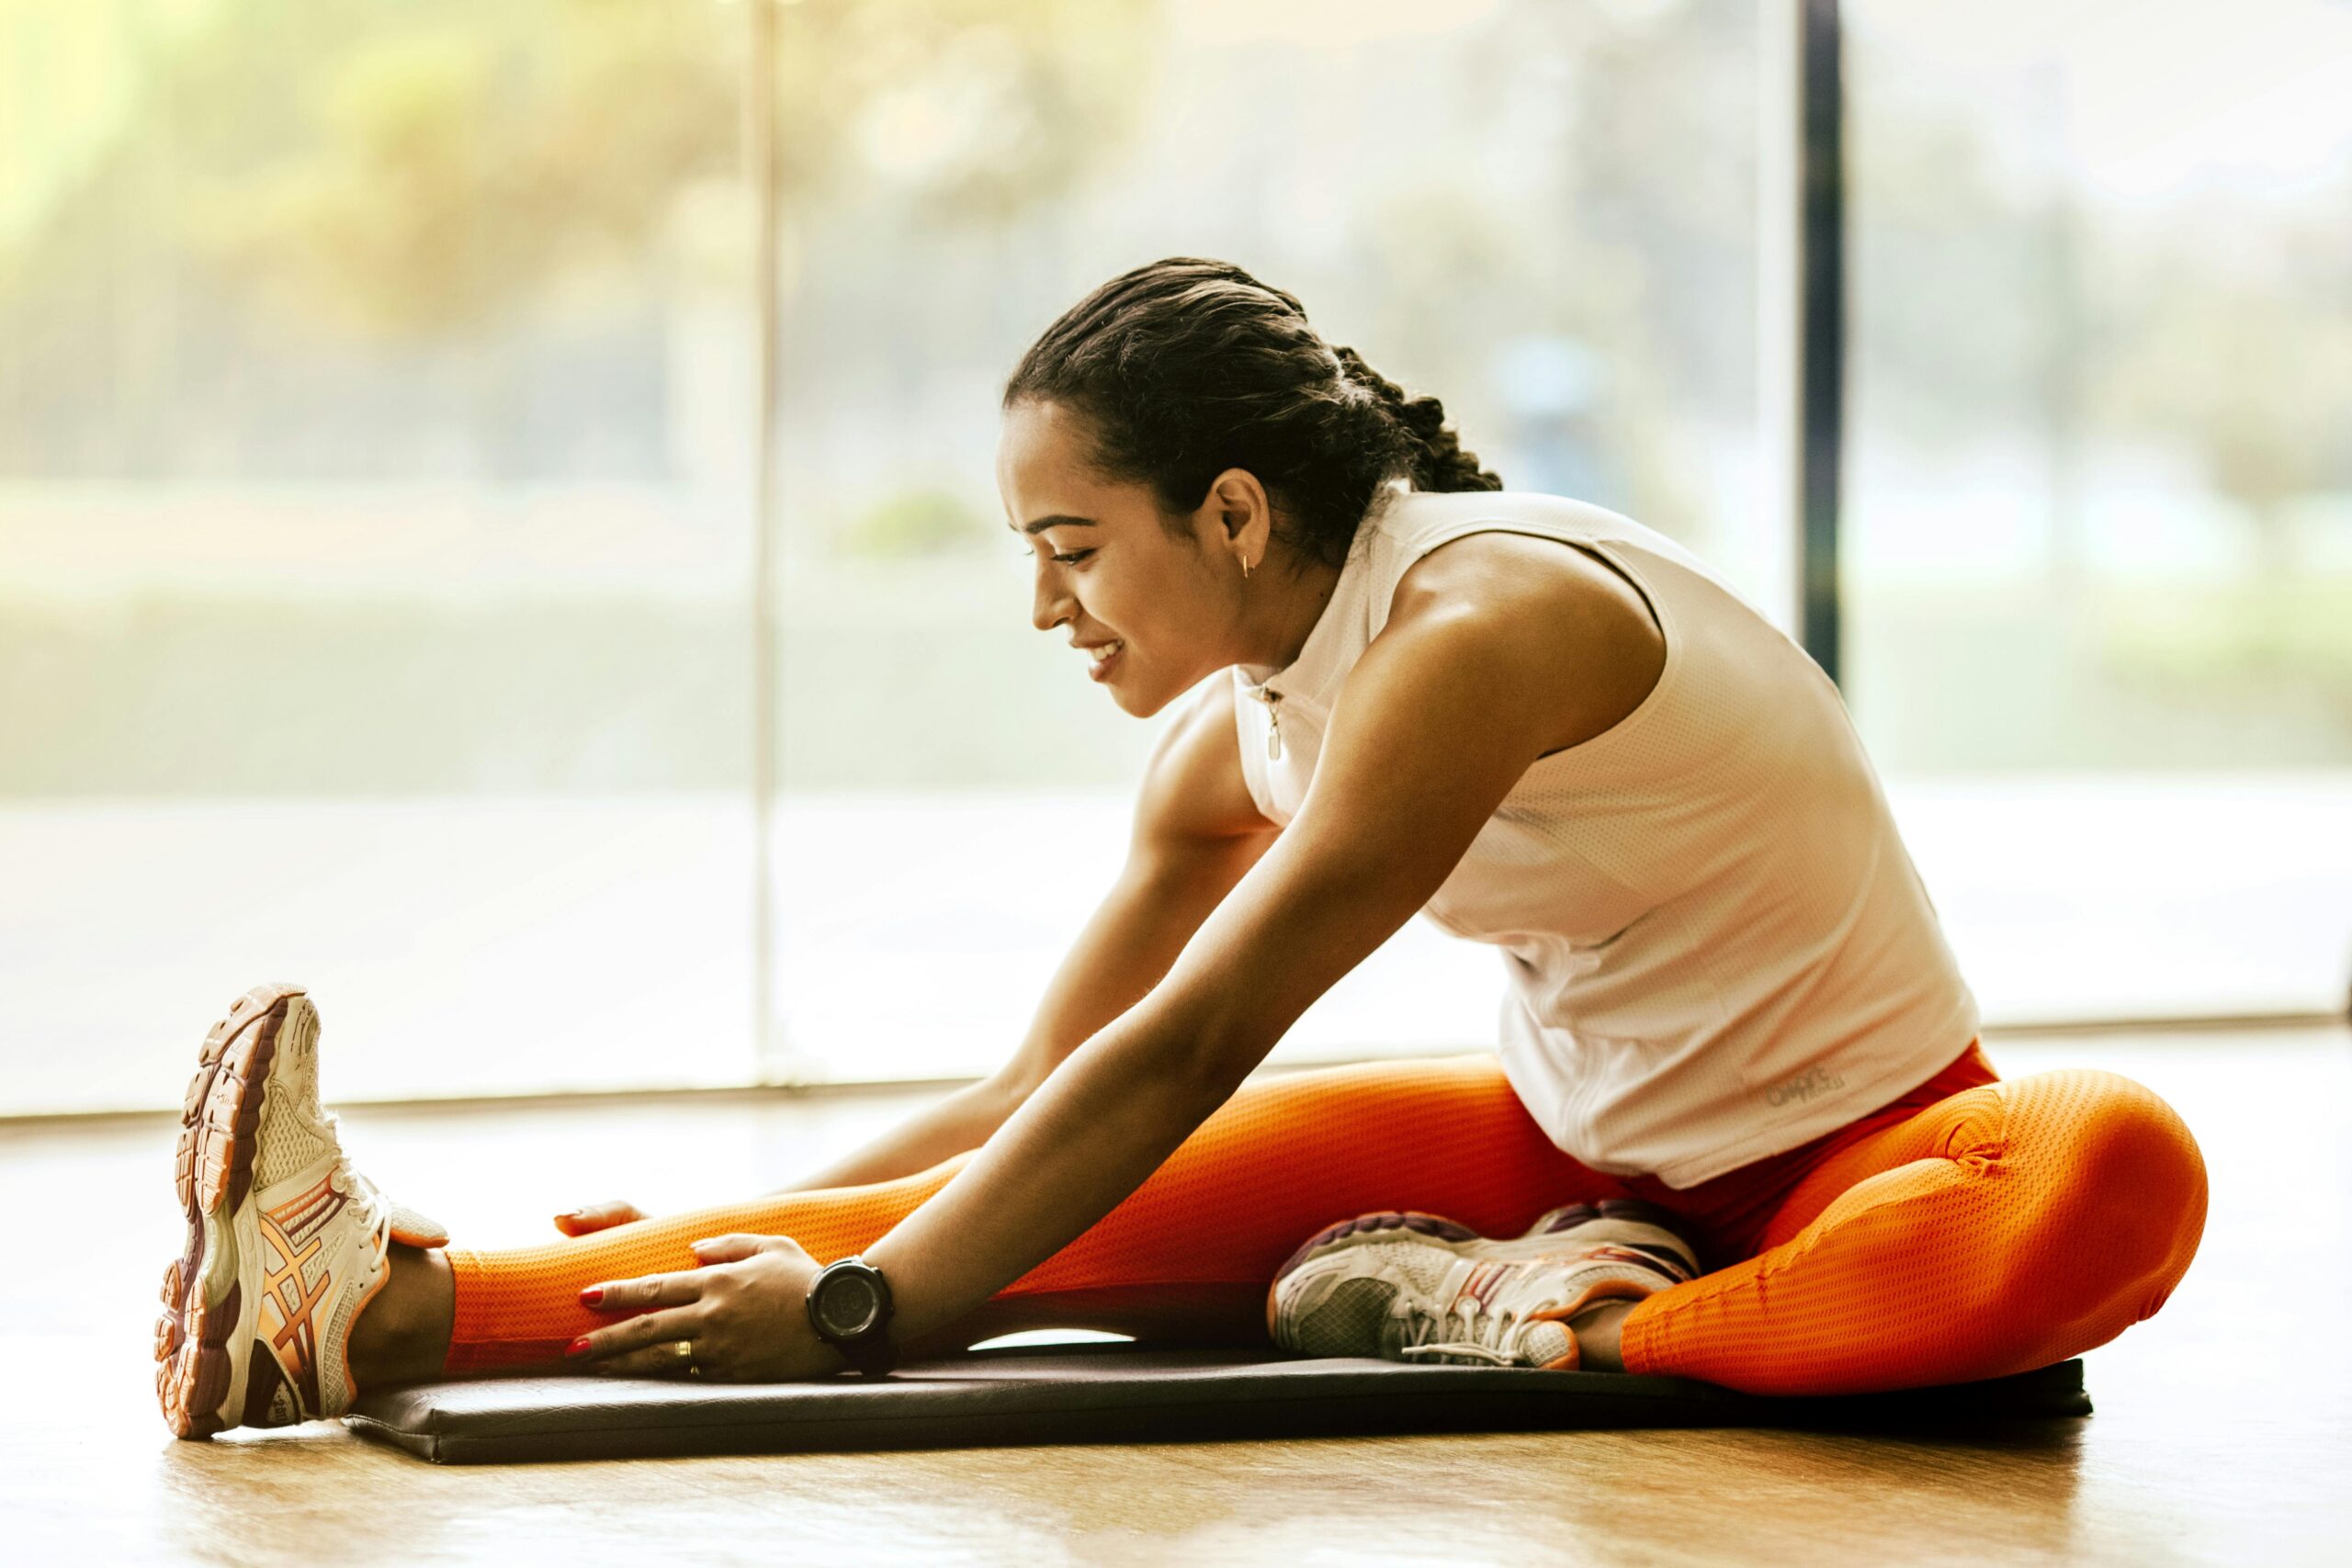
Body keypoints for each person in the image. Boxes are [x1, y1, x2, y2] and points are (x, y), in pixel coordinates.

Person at [154, 257, 2208, 1439]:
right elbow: (1038, 1097)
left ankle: (1553, 1319)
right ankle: (347, 1306)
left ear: (1229, 511)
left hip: (1867, 1153)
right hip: (1569, 1156)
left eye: (1072, 547)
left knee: (2117, 1167)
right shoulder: (1235, 734)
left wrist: (877, 1308)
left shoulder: (1478, 633)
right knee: (981, 1201)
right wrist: (757, 1220)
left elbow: (1206, 1028)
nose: (1048, 606)